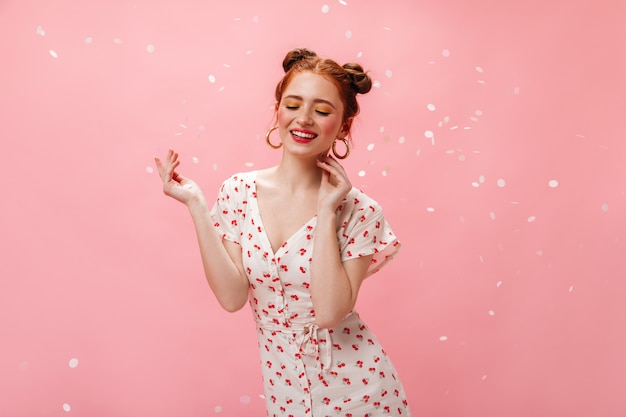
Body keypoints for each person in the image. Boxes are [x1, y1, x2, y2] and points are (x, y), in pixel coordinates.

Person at [155, 48, 411, 416]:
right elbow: (231, 298)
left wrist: (326, 211)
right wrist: (196, 203)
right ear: (277, 110)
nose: (304, 119)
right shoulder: (238, 193)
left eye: (322, 111)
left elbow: (328, 314)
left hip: (360, 392)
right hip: (285, 391)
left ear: (342, 126)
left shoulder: (360, 212)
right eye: (293, 105)